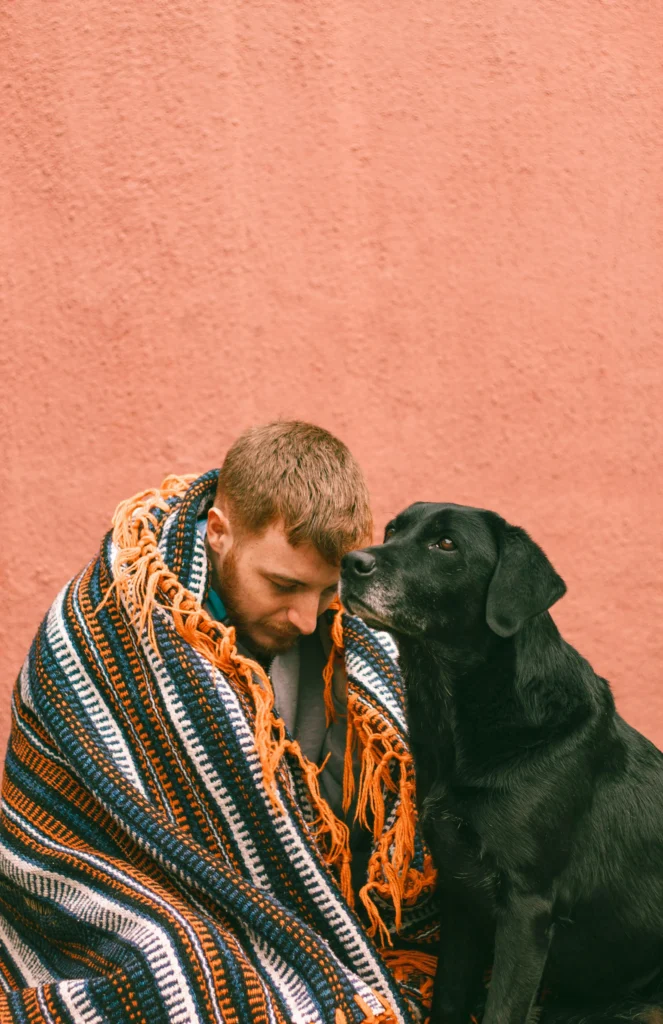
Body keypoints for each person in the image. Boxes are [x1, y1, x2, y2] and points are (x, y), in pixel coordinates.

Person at [0, 421, 437, 1024]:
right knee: (184, 967)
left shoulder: (348, 628)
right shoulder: (100, 625)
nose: (308, 618)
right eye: (283, 585)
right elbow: (57, 828)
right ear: (219, 532)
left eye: (327, 591)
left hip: (301, 903)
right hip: (116, 895)